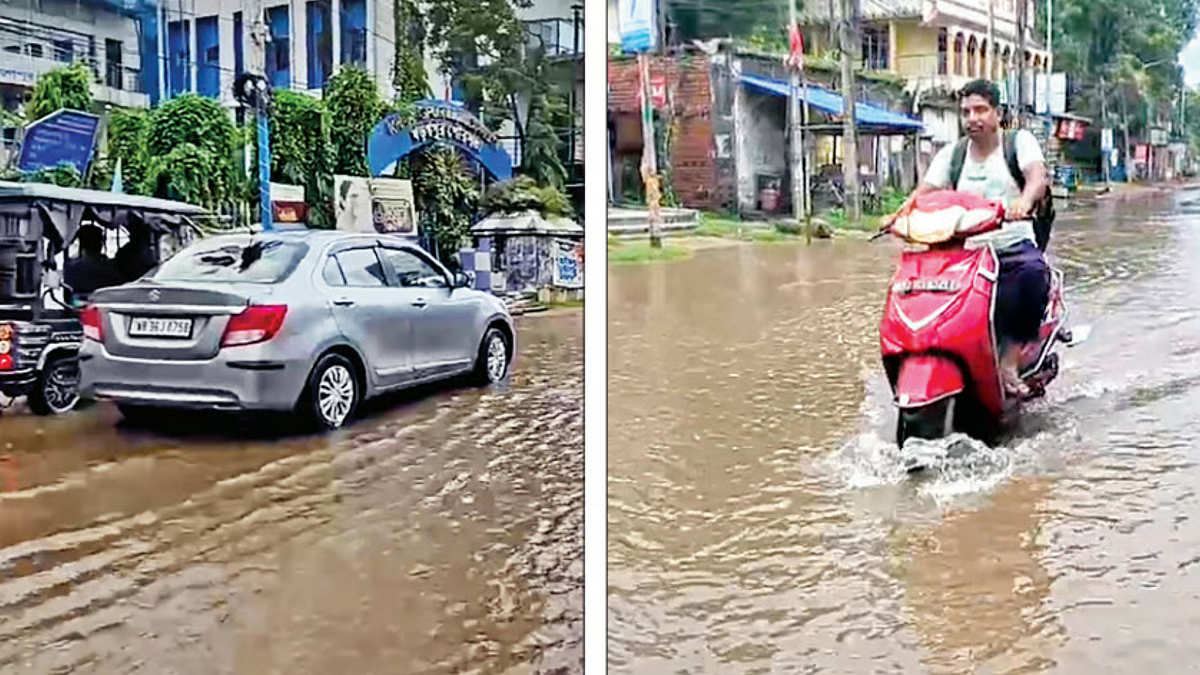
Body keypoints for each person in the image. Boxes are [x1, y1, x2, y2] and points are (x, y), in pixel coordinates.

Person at [888, 79, 1051, 398]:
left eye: (981, 110)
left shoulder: (1019, 142)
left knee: (1034, 273)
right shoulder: (953, 154)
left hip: (1011, 246)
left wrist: (1024, 201)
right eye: (966, 112)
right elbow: (924, 193)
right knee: (915, 284)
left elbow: (1036, 177)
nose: (972, 118)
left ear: (997, 113)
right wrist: (898, 215)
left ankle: (1009, 359)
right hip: (964, 253)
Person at [63, 225, 121, 301]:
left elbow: (68, 297)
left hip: (79, 305)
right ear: (101, 244)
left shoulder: (71, 269)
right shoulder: (111, 268)